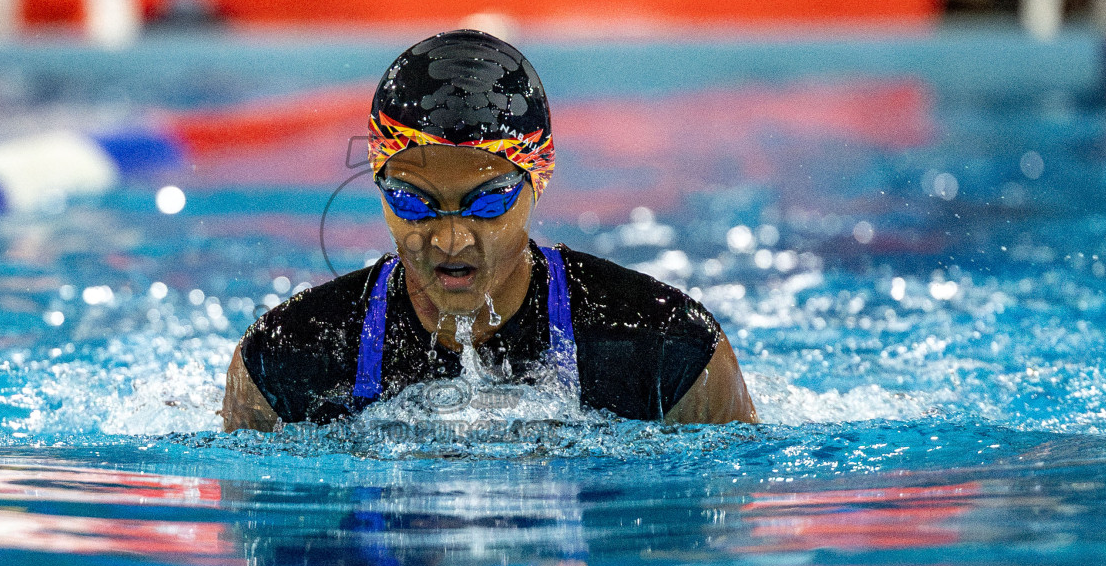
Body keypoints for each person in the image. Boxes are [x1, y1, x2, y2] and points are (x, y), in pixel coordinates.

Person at [222, 30, 756, 431]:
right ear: (379, 190)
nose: (451, 240)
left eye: (488, 202)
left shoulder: (668, 349)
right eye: (413, 203)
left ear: (537, 182)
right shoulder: (285, 364)